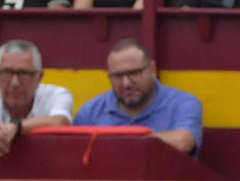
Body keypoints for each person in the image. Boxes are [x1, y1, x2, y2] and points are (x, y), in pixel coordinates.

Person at [74, 38, 203, 155]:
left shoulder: (182, 103)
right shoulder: (91, 111)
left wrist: (115, 142)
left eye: (135, 73)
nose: (126, 83)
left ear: (152, 70)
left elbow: (183, 142)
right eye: (118, 76)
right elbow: (72, 151)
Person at [0, 40, 73, 157]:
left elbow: (60, 121)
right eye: (7, 73)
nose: (15, 83)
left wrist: (17, 127)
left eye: (24, 73)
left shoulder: (57, 94)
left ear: (39, 77)